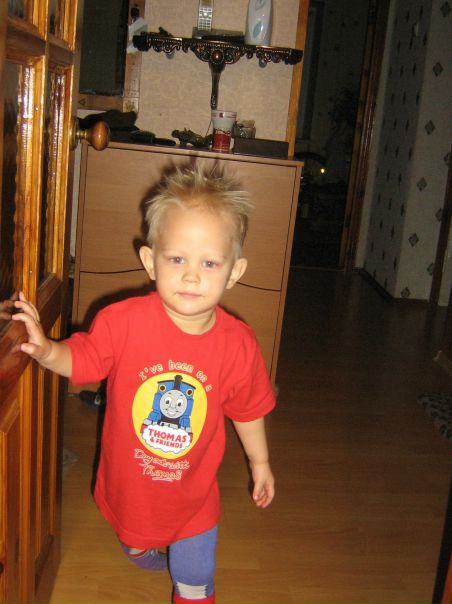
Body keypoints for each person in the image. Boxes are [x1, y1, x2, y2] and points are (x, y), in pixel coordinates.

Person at [13, 163, 276, 604]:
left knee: (195, 577)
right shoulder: (122, 322)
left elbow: (248, 408)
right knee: (134, 540)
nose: (191, 275)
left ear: (234, 271)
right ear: (151, 262)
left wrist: (260, 462)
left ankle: (186, 577)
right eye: (177, 259)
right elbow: (83, 360)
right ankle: (141, 546)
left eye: (210, 263)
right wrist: (46, 350)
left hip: (194, 496)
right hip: (129, 487)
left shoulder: (238, 344)